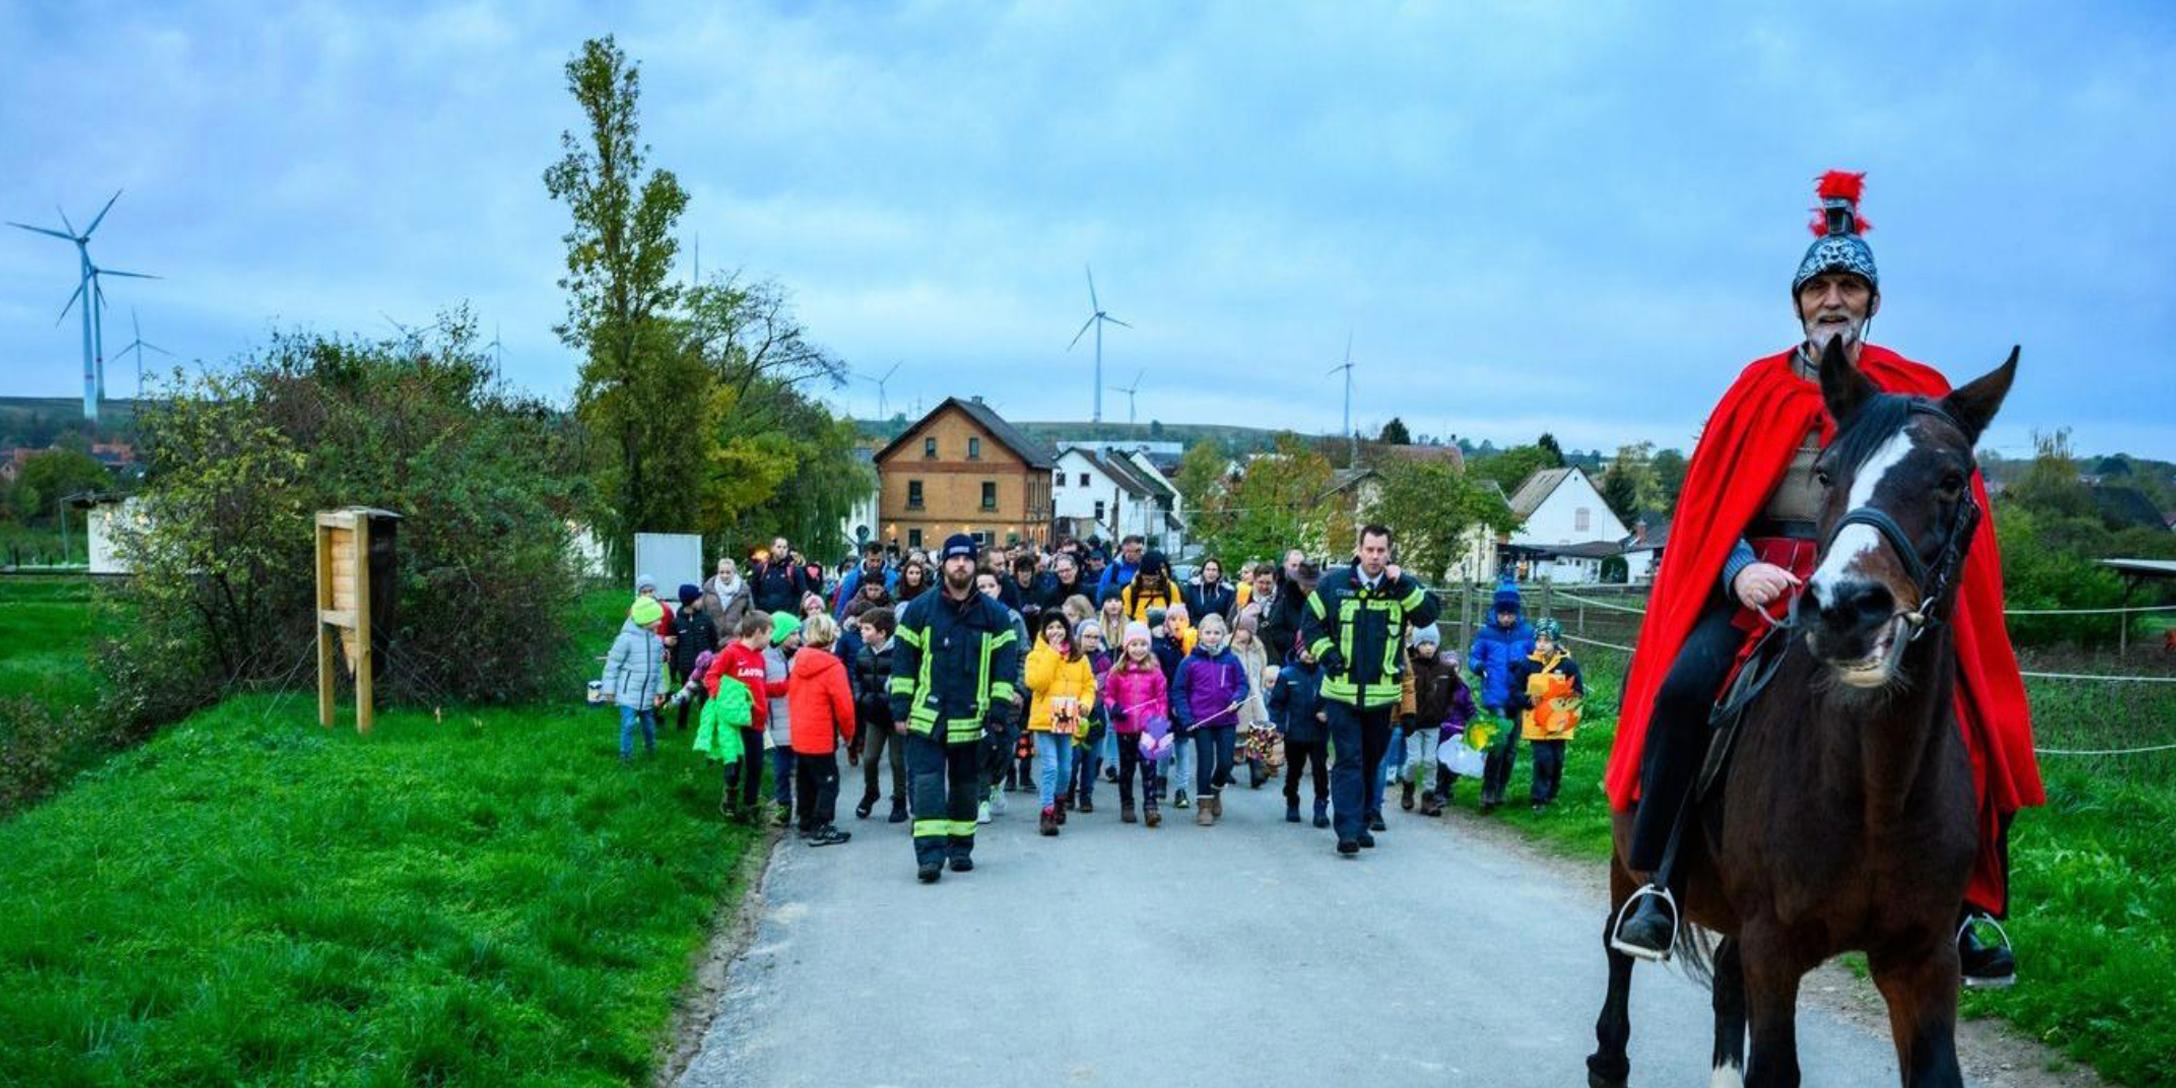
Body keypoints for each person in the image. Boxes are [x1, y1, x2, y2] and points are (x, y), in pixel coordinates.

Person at [1607, 173, 2041, 984]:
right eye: (1818, 288)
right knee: (1684, 688)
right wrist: (1739, 573)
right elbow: (1707, 514)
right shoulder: (1754, 392)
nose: (1832, 299)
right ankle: (1659, 881)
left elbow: (1950, 507)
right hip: (1764, 593)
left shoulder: (1913, 390)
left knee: (1973, 712)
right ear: (1799, 303)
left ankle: (1969, 904)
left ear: (1870, 301)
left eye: (1848, 286)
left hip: (1880, 588)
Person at [1300, 525, 1442, 857]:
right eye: (1369, 549)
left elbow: (1428, 615)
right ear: (1359, 549)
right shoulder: (1335, 585)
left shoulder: (1400, 587)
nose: (1375, 557)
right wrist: (1327, 655)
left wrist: (1403, 582)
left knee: (1371, 761)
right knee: (1349, 760)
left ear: (1389, 552)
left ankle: (1363, 821)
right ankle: (1347, 830)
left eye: (1381, 551)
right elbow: (1310, 623)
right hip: (1341, 693)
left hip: (1382, 697)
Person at [889, 534, 1022, 884]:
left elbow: (1005, 669)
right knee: (928, 787)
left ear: (974, 565)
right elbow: (903, 662)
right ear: (944, 564)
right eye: (954, 559)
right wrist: (900, 709)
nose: (960, 564)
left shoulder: (995, 615)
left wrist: (998, 712)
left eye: (966, 559)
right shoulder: (920, 609)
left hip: (972, 718)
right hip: (926, 717)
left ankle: (961, 849)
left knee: (965, 788)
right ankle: (930, 857)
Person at [1170, 613, 1249, 826]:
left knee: (1226, 762)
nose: (1212, 637)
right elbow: (1178, 691)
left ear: (1223, 635)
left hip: (1226, 719)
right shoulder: (1190, 662)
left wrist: (1237, 699)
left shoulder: (1231, 660)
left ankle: (1216, 790)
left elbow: (1242, 685)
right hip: (1201, 720)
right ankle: (1204, 805)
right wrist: (1186, 718)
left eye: (1216, 633)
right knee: (1205, 762)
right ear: (1200, 635)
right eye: (1208, 632)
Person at [1024, 613, 1096, 836]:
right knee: (1051, 766)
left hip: (1067, 714)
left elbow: (1089, 685)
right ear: (1043, 631)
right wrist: (1052, 654)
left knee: (1066, 767)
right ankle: (1047, 813)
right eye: (1050, 627)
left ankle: (1059, 802)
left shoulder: (1079, 657)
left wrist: (1085, 704)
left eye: (1059, 627)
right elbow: (1037, 683)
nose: (1055, 631)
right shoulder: (1035, 656)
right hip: (1044, 718)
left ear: (1067, 630)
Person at [1467, 579, 1534, 814]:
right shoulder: (1486, 633)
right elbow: (1474, 657)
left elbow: (1535, 659)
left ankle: (1500, 790)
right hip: (1495, 695)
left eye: (1510, 614)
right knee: (1499, 743)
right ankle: (1488, 791)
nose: (1506, 618)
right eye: (1502, 613)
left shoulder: (1526, 633)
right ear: (1496, 611)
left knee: (1511, 747)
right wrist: (1479, 667)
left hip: (1517, 695)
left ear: (1517, 613)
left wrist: (1524, 667)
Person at [787, 614, 855, 846]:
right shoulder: (833, 667)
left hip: (799, 730)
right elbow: (844, 706)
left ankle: (805, 820)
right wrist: (849, 734)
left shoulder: (798, 661)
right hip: (820, 732)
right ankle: (822, 825)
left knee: (805, 778)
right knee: (828, 780)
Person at [705, 612, 780, 819]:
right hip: (735, 721)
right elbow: (711, 676)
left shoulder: (759, 658)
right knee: (734, 765)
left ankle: (750, 806)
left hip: (756, 721)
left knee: (756, 766)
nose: (771, 638)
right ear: (758, 632)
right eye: (769, 633)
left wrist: (785, 687)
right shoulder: (731, 652)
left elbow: (760, 687)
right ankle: (729, 799)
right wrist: (724, 697)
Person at [1508, 618, 1582, 813]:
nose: (1541, 644)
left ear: (1555, 641)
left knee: (1557, 760)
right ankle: (1538, 799)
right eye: (1538, 640)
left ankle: (1552, 794)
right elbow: (1515, 690)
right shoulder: (1527, 665)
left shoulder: (1568, 665)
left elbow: (1578, 691)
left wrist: (1563, 701)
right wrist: (1527, 700)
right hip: (1536, 723)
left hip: (1560, 722)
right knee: (1543, 759)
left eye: (1546, 640)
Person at [1403, 624, 1476, 817]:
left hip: (1435, 724)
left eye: (1431, 643)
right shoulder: (1410, 667)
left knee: (1430, 761)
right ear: (1416, 644)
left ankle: (1428, 798)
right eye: (1423, 643)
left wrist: (1448, 710)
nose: (1428, 648)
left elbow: (1458, 690)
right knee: (1414, 760)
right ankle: (1408, 786)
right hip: (1413, 723)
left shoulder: (1445, 669)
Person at [1101, 621, 1169, 828]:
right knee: (1127, 768)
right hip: (1125, 727)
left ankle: (1151, 806)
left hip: (1148, 728)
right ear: (1126, 646)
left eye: (1143, 644)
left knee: (1149, 768)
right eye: (1134, 644)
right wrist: (1113, 707)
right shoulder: (1117, 672)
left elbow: (1161, 699)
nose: (1138, 649)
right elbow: (1108, 694)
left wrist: (1159, 722)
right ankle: (1127, 803)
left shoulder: (1155, 672)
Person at [976, 569, 1032, 820]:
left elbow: (1023, 655)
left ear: (998, 589)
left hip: (1005, 693)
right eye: (981, 586)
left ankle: (996, 784)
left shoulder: (1013, 618)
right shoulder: (968, 617)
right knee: (980, 749)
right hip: (975, 695)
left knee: (1005, 748)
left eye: (990, 586)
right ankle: (981, 800)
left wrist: (1019, 688)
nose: (986, 590)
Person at [850, 606, 908, 823]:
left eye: (867, 628)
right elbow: (857, 678)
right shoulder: (863, 653)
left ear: (882, 633)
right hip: (874, 715)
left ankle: (900, 800)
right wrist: (860, 697)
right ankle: (871, 792)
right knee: (870, 758)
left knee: (897, 761)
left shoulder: (900, 653)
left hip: (896, 716)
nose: (862, 632)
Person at [1269, 643, 1329, 827]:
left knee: (1320, 769)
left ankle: (1321, 805)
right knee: (1294, 769)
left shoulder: (1325, 673)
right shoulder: (1287, 674)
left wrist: (1327, 712)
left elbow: (1333, 699)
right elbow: (1277, 703)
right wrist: (1279, 726)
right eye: (1306, 650)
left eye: (1314, 650)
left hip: (1318, 731)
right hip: (1294, 731)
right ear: (1298, 651)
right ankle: (1292, 800)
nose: (1310, 654)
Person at [601, 595, 667, 761]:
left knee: (649, 726)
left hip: (647, 693)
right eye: (656, 619)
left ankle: (651, 751)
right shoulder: (625, 639)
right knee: (629, 724)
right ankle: (626, 756)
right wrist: (608, 690)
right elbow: (612, 665)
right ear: (645, 620)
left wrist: (660, 690)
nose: (660, 622)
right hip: (628, 693)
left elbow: (658, 668)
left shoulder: (657, 642)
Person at [1070, 619, 1111, 814]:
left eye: (1096, 637)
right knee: (1073, 757)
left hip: (1096, 716)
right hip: (1072, 712)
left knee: (1091, 759)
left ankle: (1086, 795)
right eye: (1087, 636)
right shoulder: (1071, 658)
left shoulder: (1104, 661)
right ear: (1079, 637)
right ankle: (1068, 792)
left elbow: (1103, 688)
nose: (1092, 641)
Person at [1231, 623, 1278, 787]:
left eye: (1244, 629)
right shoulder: (1229, 648)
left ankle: (1257, 768)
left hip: (1256, 695)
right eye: (1237, 629)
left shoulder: (1258, 648)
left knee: (1260, 729)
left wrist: (1262, 687)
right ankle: (1226, 767)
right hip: (1238, 697)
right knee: (1236, 735)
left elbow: (1262, 669)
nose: (1239, 633)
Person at [670, 583, 719, 732]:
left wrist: (711, 659)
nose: (701, 601)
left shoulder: (706, 619)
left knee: (705, 696)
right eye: (698, 599)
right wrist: (674, 668)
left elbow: (714, 640)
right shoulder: (677, 622)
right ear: (689, 601)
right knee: (686, 696)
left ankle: (706, 725)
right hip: (686, 666)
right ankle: (681, 726)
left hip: (706, 667)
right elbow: (674, 648)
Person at [751, 538, 812, 615]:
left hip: (788, 615)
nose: (782, 550)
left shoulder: (794, 570)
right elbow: (753, 592)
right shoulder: (761, 569)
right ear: (772, 549)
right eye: (779, 547)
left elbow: (804, 592)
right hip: (764, 616)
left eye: (785, 547)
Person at [1183, 557, 1237, 625]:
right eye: (1208, 569)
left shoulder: (1228, 591)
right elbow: (1187, 610)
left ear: (1218, 573)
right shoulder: (1192, 587)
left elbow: (1229, 616)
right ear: (1203, 572)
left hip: (1219, 627)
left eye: (1214, 570)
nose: (1211, 573)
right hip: (1196, 627)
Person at [706, 559, 752, 635]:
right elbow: (703, 611)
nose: (724, 576)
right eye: (721, 572)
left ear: (734, 572)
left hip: (735, 636)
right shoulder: (708, 589)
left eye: (728, 572)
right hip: (712, 635)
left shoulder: (744, 590)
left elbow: (750, 614)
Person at [1097, 534, 1146, 603]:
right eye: (1128, 551)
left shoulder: (1146, 568)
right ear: (1123, 550)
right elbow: (1101, 595)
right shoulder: (1112, 569)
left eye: (1136, 551)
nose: (1130, 554)